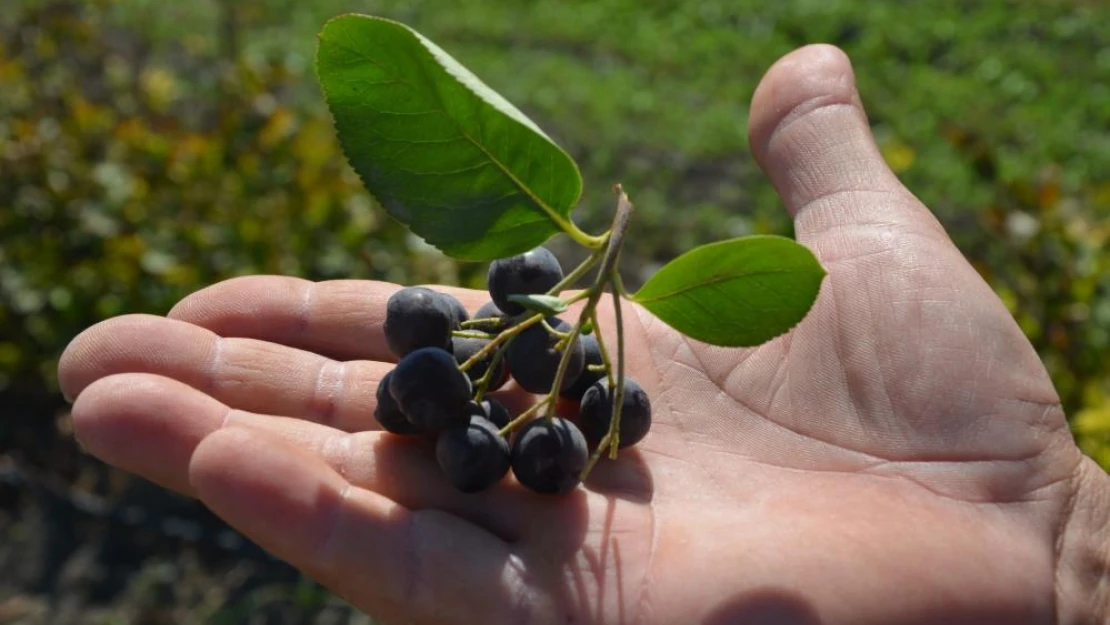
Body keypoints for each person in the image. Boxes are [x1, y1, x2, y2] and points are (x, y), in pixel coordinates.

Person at [56, 44, 1108, 625]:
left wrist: (1066, 553)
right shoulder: (542, 360)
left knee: (457, 353)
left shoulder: (565, 379)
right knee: (442, 350)